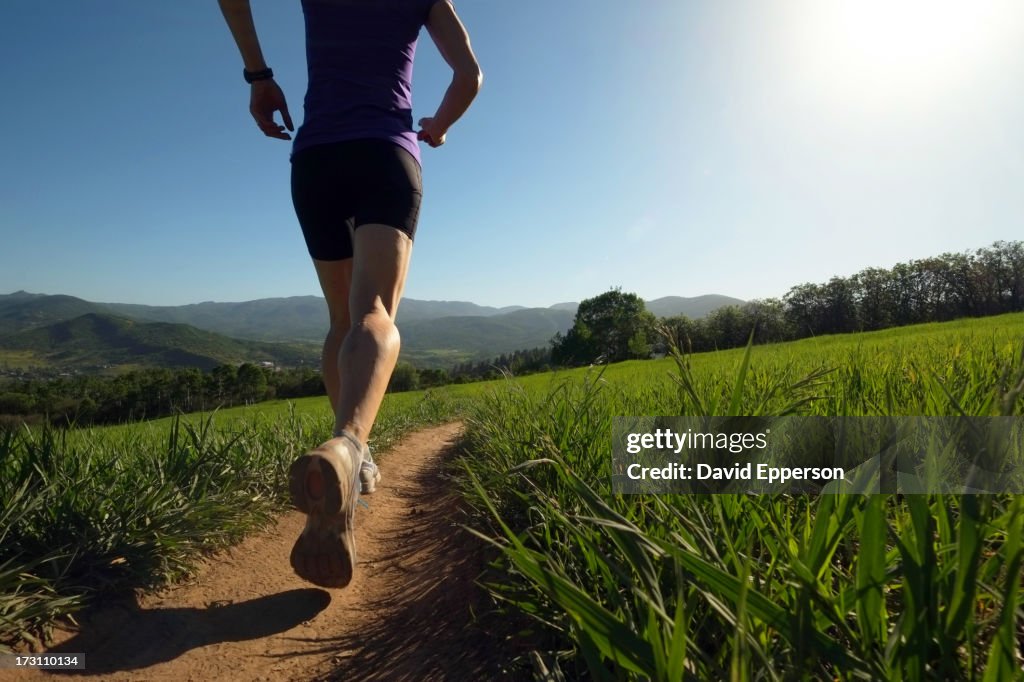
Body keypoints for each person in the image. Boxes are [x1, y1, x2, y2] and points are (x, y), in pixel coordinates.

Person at [217, 0, 481, 587]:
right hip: (385, 149)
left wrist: (259, 78)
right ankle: (350, 447)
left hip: (316, 157)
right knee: (375, 311)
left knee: (341, 320)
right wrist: (437, 125)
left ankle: (346, 471)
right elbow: (470, 77)